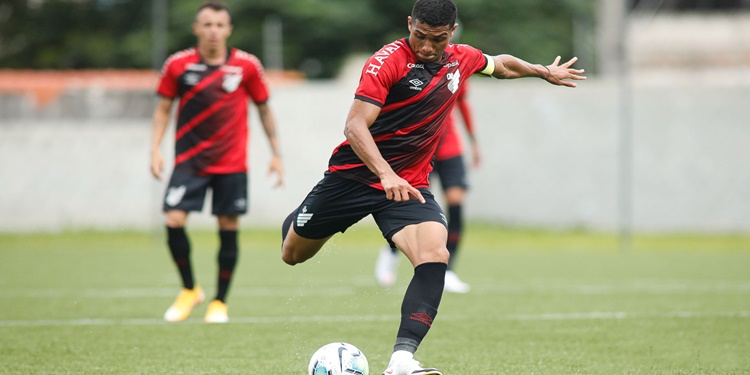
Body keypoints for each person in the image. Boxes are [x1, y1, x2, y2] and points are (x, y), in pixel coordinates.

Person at [281, 0, 585, 373]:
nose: (426, 47)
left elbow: (501, 64)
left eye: (437, 39)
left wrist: (541, 71)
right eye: (419, 36)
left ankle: (401, 360)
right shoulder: (386, 61)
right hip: (353, 177)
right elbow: (355, 126)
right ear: (410, 24)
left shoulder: (461, 58)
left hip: (409, 184)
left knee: (434, 255)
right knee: (293, 254)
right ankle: (302, 215)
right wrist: (385, 174)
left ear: (451, 33)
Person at [150, 0, 283, 324]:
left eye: (219, 25)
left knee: (228, 227)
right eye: (207, 25)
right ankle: (189, 289)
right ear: (196, 29)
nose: (213, 31)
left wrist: (277, 154)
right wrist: (155, 148)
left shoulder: (246, 66)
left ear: (229, 30)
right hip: (189, 162)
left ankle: (220, 301)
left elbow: (264, 109)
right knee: (174, 220)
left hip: (231, 163)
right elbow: (164, 108)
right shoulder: (178, 65)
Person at [374, 79, 478, 293]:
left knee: (456, 202)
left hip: (449, 147)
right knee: (410, 204)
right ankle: (392, 251)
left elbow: (463, 103)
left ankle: (448, 270)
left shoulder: (458, 66)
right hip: (419, 147)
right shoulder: (414, 69)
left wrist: (473, 141)